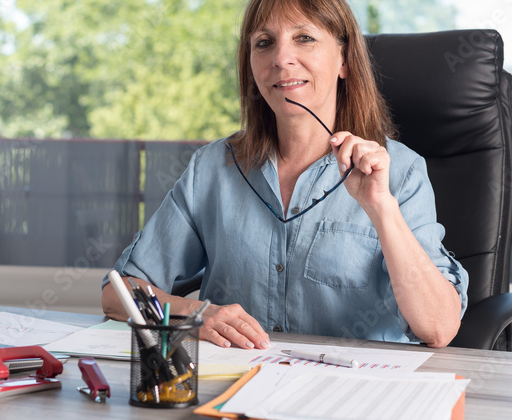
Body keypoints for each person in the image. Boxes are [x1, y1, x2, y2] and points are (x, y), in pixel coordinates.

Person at [101, 0, 467, 349]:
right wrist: (195, 314)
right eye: (264, 43)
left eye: (304, 38)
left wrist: (381, 208)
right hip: (237, 394)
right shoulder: (213, 169)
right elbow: (118, 294)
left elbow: (438, 329)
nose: (280, 58)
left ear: (344, 59)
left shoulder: (400, 172)